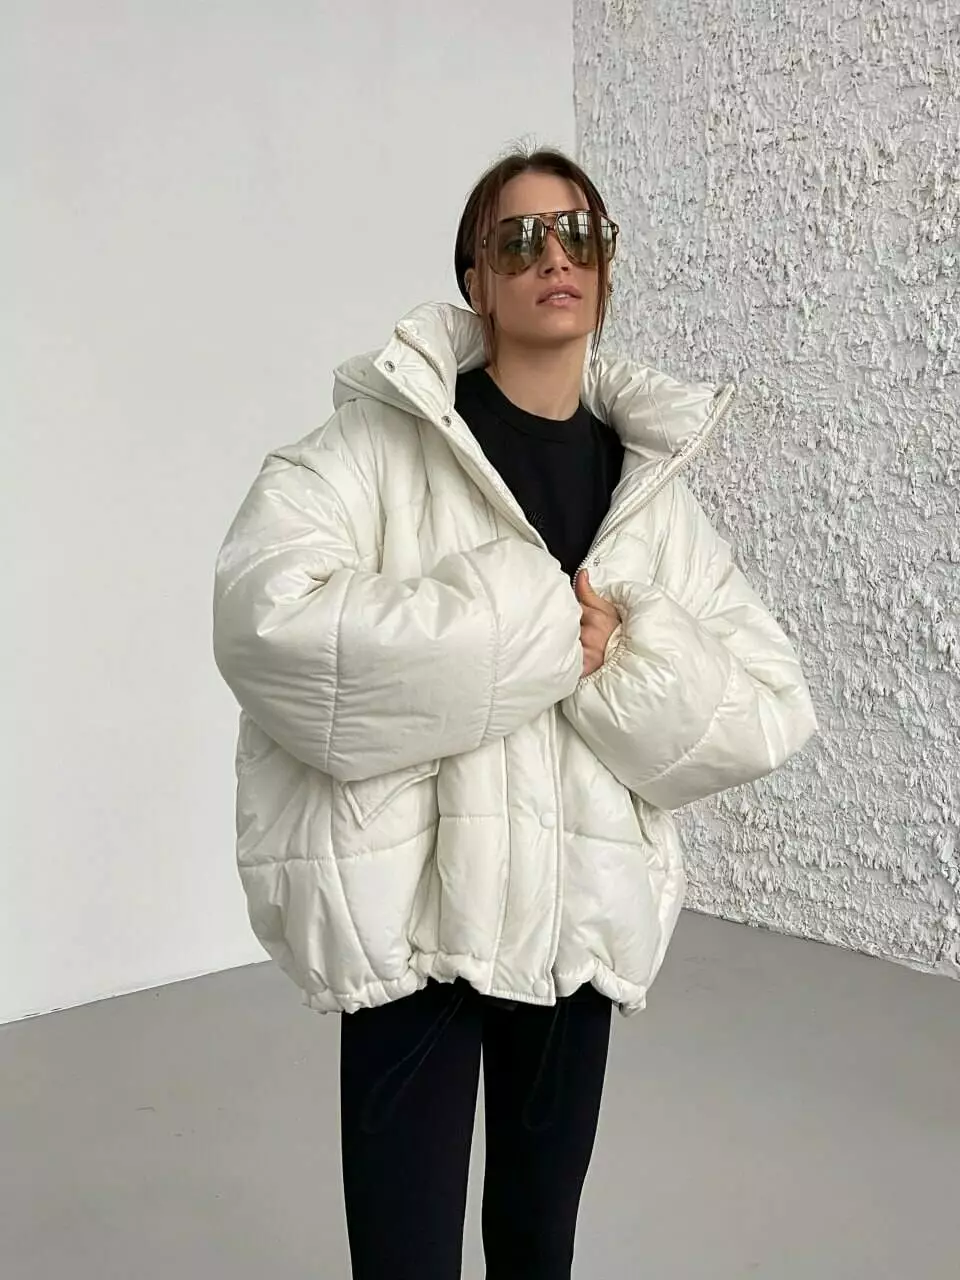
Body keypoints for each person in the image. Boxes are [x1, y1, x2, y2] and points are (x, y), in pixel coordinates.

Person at [212, 147, 818, 1279]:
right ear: (476, 281)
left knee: (540, 1247)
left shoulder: (650, 492)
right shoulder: (374, 447)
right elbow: (267, 622)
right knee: (403, 1255)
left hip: (573, 921)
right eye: (520, 238)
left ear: (606, 267)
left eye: (579, 234)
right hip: (412, 927)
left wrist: (626, 656)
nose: (555, 257)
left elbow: (770, 707)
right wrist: (541, 631)